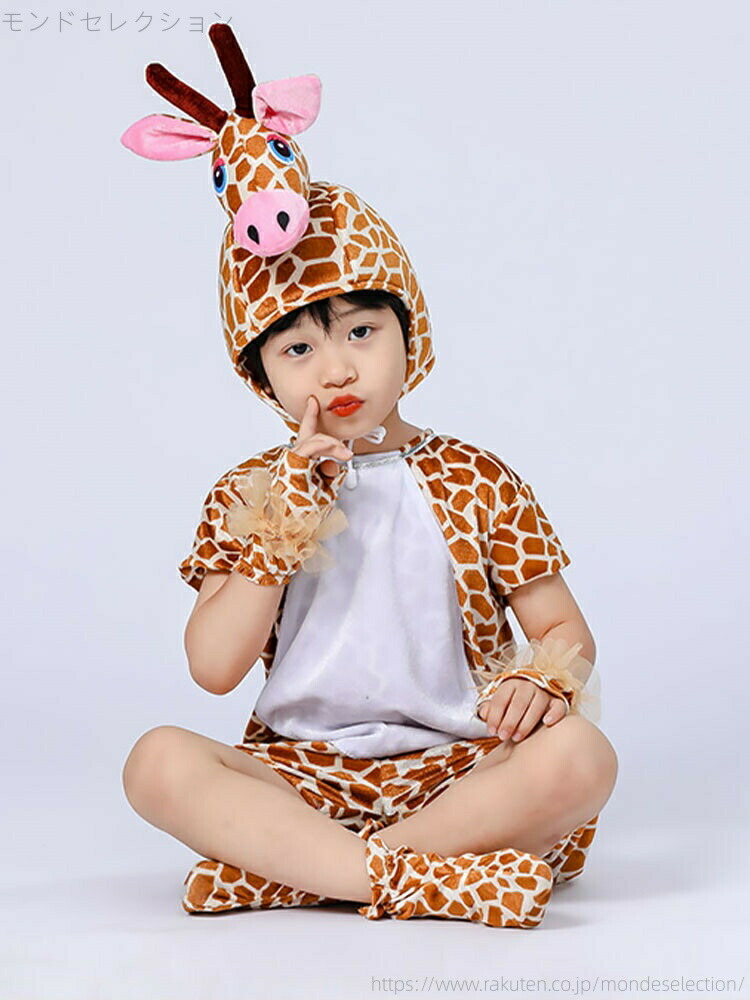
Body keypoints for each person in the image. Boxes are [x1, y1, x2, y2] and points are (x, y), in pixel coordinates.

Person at [120, 23, 617, 929]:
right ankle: (418, 878)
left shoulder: (477, 477)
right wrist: (282, 520)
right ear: (262, 376)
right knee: (155, 760)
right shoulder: (246, 493)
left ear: (407, 330)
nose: (337, 369)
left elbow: (561, 627)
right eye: (298, 349)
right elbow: (212, 668)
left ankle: (304, 873)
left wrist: (543, 681)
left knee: (582, 756)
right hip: (299, 773)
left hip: (458, 768)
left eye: (361, 331)